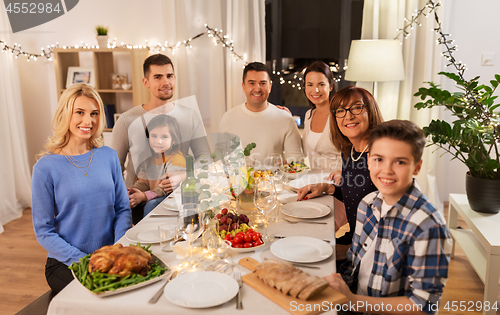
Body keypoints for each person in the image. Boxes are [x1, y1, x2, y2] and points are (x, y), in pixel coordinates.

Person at [324, 120, 452, 315]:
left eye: (400, 161)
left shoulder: (428, 226)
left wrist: (352, 301)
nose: (387, 170)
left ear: (417, 167)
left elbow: (424, 305)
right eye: (378, 159)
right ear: (368, 160)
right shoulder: (367, 204)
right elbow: (352, 265)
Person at [31, 84, 132, 294]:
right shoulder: (45, 168)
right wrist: (84, 260)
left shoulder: (108, 156)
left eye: (94, 113)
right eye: (80, 112)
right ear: (65, 114)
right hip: (67, 262)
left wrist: (117, 248)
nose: (89, 121)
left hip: (110, 256)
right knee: (100, 298)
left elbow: (122, 208)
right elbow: (43, 231)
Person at [297, 86, 383, 262]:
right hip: (354, 238)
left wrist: (349, 251)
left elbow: (389, 224)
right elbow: (355, 196)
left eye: (356, 107)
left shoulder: (380, 158)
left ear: (371, 111)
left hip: (371, 251)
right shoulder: (350, 153)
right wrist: (328, 188)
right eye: (341, 111)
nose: (348, 116)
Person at [111, 54, 211, 190]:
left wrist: (184, 176)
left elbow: (205, 159)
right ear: (146, 82)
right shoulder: (127, 120)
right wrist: (124, 198)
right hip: (138, 206)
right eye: (158, 77)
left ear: (175, 79)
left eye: (169, 76)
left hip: (177, 202)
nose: (166, 82)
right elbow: (113, 167)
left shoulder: (190, 115)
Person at [219, 61, 304, 164]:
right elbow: (221, 159)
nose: (257, 88)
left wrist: (287, 165)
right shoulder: (228, 118)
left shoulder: (285, 118)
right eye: (252, 83)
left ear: (270, 86)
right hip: (240, 179)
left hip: (274, 178)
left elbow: (297, 160)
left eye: (263, 83)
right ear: (243, 86)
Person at [301, 61, 346, 231]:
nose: (316, 90)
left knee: (317, 229)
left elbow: (353, 152)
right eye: (310, 85)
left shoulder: (340, 114)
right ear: (305, 88)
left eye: (321, 84)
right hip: (314, 186)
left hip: (339, 189)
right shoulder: (308, 115)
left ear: (330, 85)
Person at [128, 114, 186, 223]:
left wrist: (144, 196)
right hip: (153, 195)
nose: (158, 141)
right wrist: (133, 191)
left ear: (173, 140)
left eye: (164, 137)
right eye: (154, 136)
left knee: (151, 204)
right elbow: (144, 182)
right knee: (129, 202)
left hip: (170, 199)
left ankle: (148, 232)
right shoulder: (146, 158)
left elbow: (165, 188)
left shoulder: (176, 158)